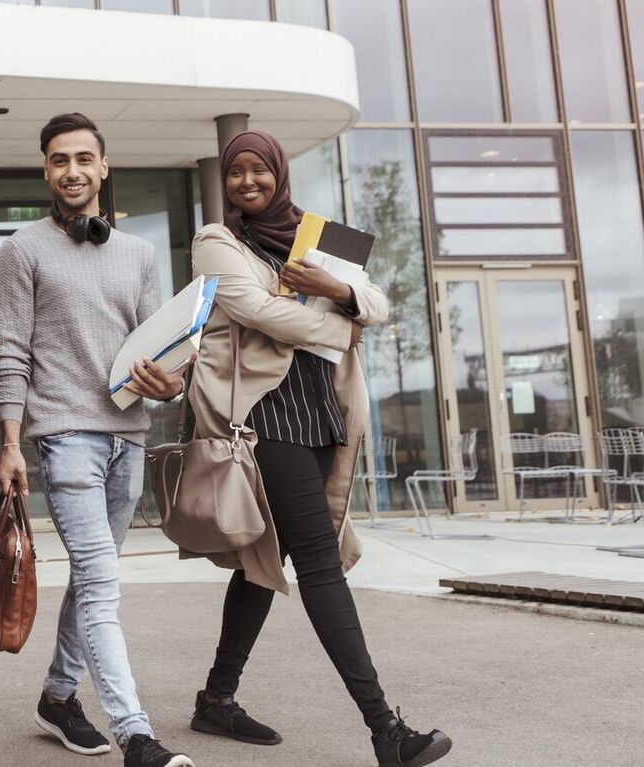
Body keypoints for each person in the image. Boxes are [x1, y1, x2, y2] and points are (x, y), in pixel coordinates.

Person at [184, 130, 453, 767]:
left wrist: (338, 289)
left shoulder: (320, 234)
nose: (248, 181)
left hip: (321, 414)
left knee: (265, 558)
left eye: (259, 170)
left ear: (279, 173)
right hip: (264, 418)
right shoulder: (217, 241)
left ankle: (216, 698)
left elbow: (380, 304)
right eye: (236, 172)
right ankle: (386, 729)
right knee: (318, 563)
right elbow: (259, 312)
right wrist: (341, 320)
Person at [0, 113, 193, 767]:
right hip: (64, 434)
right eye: (58, 160)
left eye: (83, 158)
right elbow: (10, 356)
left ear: (104, 166)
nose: (71, 170)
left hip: (128, 435)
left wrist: (171, 385)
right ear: (46, 171)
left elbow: (160, 350)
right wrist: (11, 442)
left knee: (91, 576)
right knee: (103, 580)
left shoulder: (139, 254)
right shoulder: (23, 249)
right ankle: (135, 731)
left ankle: (57, 695)